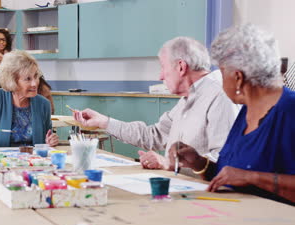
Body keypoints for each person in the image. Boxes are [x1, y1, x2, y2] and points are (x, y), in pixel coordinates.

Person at [169, 24, 295, 205]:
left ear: (238, 77)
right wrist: (198, 162)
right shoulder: (246, 110)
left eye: (221, 72)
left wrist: (253, 177)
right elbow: (232, 175)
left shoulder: (290, 111)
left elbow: (245, 176)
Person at [73, 37, 238, 171]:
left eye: (163, 67)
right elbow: (153, 135)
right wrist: (104, 122)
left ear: (181, 67)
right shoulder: (188, 99)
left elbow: (224, 161)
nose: (160, 76)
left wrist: (169, 165)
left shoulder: (219, 96)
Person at [0, 50, 58, 147]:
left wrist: (50, 142)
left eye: (36, 76)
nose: (34, 84)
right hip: (1, 161)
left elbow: (47, 140)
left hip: (34, 161)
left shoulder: (43, 104)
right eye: (28, 79)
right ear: (12, 81)